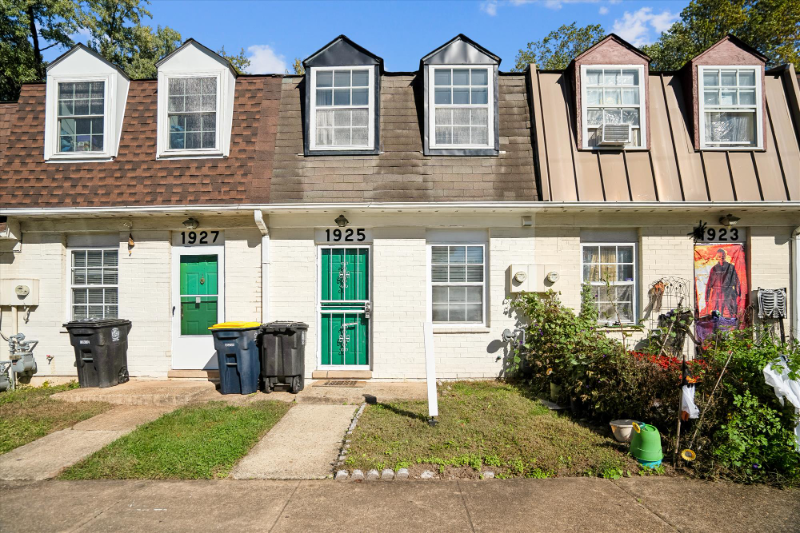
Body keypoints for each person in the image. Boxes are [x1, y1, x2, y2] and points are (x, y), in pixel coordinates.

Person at [705, 248, 741, 318]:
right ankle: (717, 328)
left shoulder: (731, 267)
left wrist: (738, 295)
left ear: (725, 256)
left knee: (729, 315)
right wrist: (706, 297)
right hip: (717, 295)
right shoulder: (714, 269)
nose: (721, 258)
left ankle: (730, 328)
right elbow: (709, 284)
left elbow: (737, 282)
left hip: (728, 294)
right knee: (716, 316)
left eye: (723, 256)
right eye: (719, 256)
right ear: (717, 257)